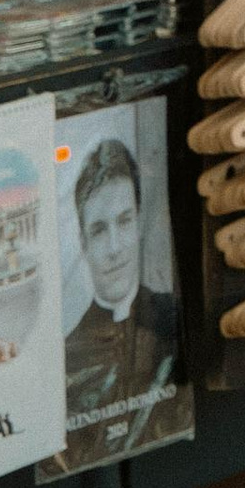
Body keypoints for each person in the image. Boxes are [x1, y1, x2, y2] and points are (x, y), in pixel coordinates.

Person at [63, 133, 177, 424]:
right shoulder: (68, 355)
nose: (115, 248)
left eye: (125, 221)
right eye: (99, 230)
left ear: (139, 223)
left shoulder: (172, 319)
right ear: (83, 243)